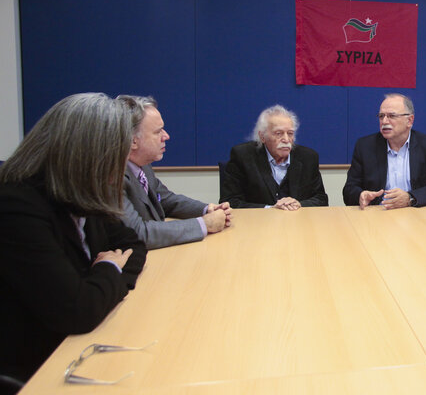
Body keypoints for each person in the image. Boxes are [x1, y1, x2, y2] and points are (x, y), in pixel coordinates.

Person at [0, 93, 147, 386]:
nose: (119, 170)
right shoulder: (17, 207)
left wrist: (99, 283)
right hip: (39, 367)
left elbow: (134, 245)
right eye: (116, 157)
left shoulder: (79, 196)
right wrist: (109, 270)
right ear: (89, 156)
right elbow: (77, 311)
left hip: (80, 343)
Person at [116, 95, 232, 249]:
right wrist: (204, 224)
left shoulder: (143, 165)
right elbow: (138, 233)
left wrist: (207, 209)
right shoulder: (113, 177)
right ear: (133, 140)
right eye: (158, 132)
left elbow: (165, 200)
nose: (166, 136)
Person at [343, 93, 426, 209]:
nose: (384, 121)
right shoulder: (365, 147)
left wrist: (410, 198)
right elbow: (349, 189)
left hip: (415, 214)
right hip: (377, 214)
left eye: (391, 116)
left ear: (409, 120)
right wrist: (360, 195)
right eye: (381, 116)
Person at [220, 104, 328, 209]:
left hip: (297, 222)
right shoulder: (242, 156)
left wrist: (300, 204)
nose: (286, 139)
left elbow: (321, 199)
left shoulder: (308, 157)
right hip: (258, 223)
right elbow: (230, 201)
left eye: (290, 133)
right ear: (262, 136)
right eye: (278, 133)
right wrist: (270, 208)